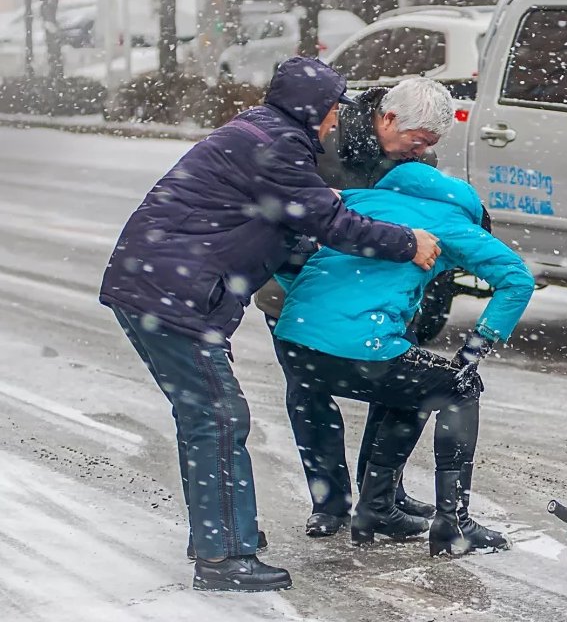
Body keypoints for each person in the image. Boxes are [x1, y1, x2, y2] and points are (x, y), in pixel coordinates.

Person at [98, 56, 441, 592]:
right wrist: (407, 243)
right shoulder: (279, 146)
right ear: (315, 109)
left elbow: (283, 226)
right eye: (330, 112)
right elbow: (326, 222)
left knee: (208, 415)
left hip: (160, 287)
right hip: (172, 295)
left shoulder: (262, 133)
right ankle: (222, 558)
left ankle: (219, 535)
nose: (333, 123)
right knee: (217, 417)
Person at [271, 161, 534, 555]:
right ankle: (453, 523)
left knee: (415, 383)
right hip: (359, 346)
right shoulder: (454, 223)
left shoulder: (359, 200)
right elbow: (517, 279)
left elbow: (289, 240)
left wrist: (311, 304)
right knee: (459, 387)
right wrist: (474, 349)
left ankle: (375, 507)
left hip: (294, 342)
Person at [253, 77, 454, 538]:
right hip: (299, 290)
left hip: (384, 296)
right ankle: (330, 502)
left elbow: (427, 218)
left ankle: (381, 493)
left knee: (397, 384)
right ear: (387, 118)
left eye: (429, 145)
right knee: (308, 391)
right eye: (415, 141)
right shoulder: (319, 142)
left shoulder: (417, 157)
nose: (420, 153)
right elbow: (287, 215)